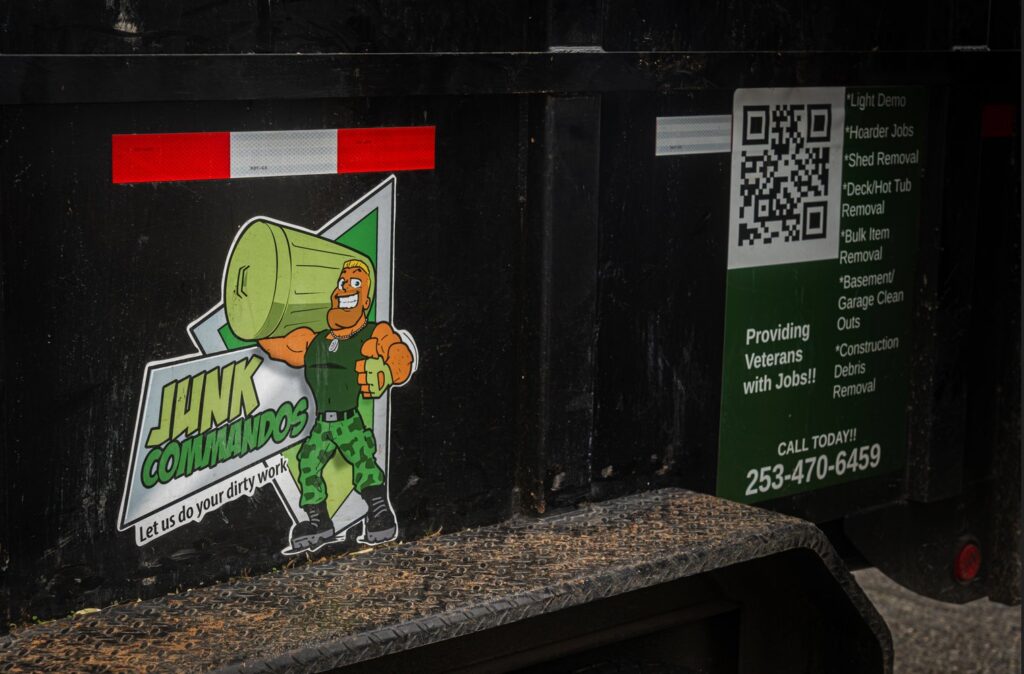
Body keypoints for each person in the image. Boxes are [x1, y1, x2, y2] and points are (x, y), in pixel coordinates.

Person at [258, 259, 414, 551]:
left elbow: (398, 354)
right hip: (323, 424)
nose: (345, 288)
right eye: (342, 282)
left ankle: (380, 513)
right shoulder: (314, 341)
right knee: (307, 463)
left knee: (363, 461)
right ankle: (320, 523)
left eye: (355, 283)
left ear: (365, 300)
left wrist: (388, 372)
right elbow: (277, 344)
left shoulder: (369, 335)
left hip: (347, 421)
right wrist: (256, 311)